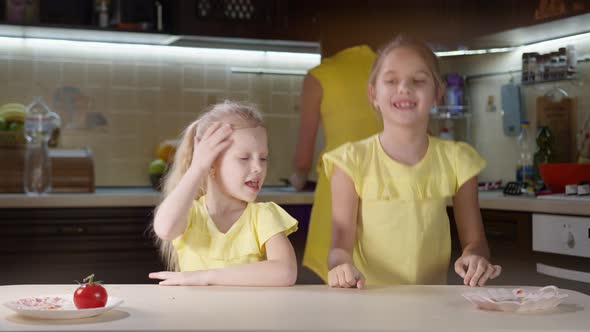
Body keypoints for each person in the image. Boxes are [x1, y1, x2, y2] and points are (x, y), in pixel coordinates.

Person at [324, 36, 502, 289]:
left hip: (432, 303)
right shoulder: (350, 161)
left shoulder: (458, 160)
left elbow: (476, 242)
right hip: (368, 303)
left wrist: (474, 258)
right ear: (373, 94)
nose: (404, 88)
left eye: (418, 80)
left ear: (437, 94)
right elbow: (339, 247)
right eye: (391, 80)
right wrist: (340, 267)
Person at [150, 101, 298, 286]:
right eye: (244, 158)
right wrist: (198, 167)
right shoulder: (191, 214)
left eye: (263, 158)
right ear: (211, 163)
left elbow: (285, 273)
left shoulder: (263, 216)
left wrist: (203, 277)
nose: (258, 167)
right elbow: (165, 228)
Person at [290, 44, 383, 282]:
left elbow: (303, 157)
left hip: (335, 193)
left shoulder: (321, 75)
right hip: (387, 194)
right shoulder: (390, 68)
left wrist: (298, 178)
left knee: (336, 290)